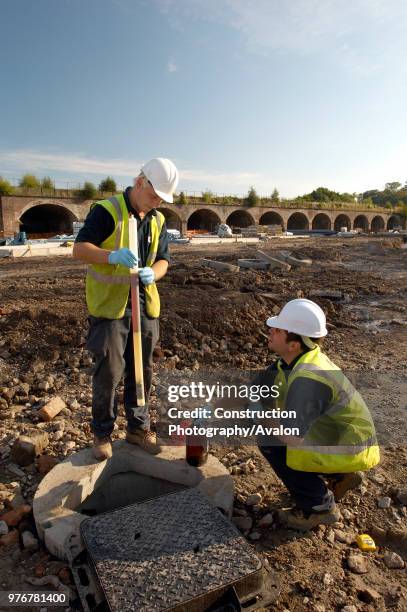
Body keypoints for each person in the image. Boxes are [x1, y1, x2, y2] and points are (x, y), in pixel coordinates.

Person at [73, 158, 179, 460]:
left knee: (141, 369)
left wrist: (153, 273)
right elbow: (79, 249)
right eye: (153, 194)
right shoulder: (107, 211)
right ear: (140, 181)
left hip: (144, 306)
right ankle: (102, 433)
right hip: (111, 308)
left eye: (162, 198)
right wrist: (111, 256)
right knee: (109, 371)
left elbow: (163, 260)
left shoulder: (158, 220)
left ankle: (138, 428)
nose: (157, 201)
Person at [252, 298, 380, 529]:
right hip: (347, 438)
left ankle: (319, 507)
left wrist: (260, 419)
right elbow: (255, 391)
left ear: (293, 343)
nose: (269, 331)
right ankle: (340, 475)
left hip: (351, 447)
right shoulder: (293, 361)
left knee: (270, 441)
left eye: (278, 329)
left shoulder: (308, 380)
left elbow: (293, 437)